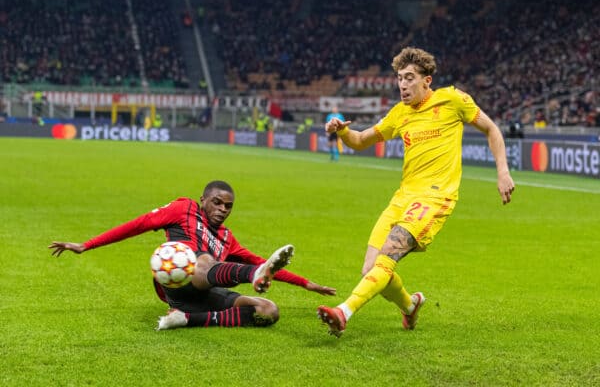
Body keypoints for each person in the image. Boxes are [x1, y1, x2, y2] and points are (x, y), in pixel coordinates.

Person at [317, 47, 515, 337]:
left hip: (435, 198)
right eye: (399, 78)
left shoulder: (453, 99)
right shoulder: (400, 114)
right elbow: (360, 140)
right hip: (402, 197)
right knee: (370, 271)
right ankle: (410, 306)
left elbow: (491, 129)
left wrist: (503, 172)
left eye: (410, 78)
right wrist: (342, 131)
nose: (403, 84)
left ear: (427, 81)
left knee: (387, 258)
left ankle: (343, 312)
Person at [49, 180, 336, 330]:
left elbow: (260, 260)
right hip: (176, 282)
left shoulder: (226, 238)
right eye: (217, 202)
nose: (223, 209)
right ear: (203, 200)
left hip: (204, 295)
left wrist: (306, 283)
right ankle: (250, 278)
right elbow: (138, 224)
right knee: (205, 261)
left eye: (228, 206)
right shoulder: (184, 209)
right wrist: (87, 244)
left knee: (268, 311)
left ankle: (186, 319)